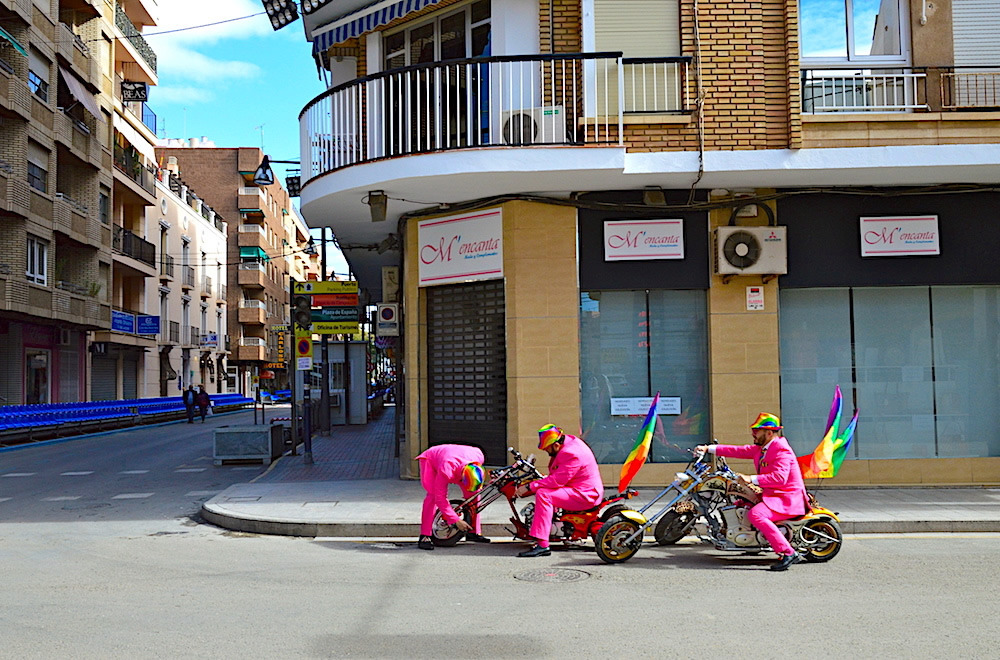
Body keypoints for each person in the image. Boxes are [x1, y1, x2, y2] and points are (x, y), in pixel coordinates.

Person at [696, 413, 809, 571]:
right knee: (739, 503)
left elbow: (780, 478)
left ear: (769, 433)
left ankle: (788, 552)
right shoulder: (763, 449)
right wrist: (709, 448)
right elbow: (738, 450)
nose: (753, 434)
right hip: (771, 495)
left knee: (756, 514)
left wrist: (751, 479)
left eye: (757, 431)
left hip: (785, 499)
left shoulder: (781, 451)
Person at [513, 424, 603, 558]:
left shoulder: (571, 453)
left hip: (585, 494)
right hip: (579, 488)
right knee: (544, 489)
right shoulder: (571, 441)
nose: (545, 451)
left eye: (546, 448)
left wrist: (529, 486)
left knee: (544, 495)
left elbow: (557, 481)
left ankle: (542, 545)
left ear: (556, 445)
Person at [416, 444, 491, 551]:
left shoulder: (479, 457)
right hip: (431, 459)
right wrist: (455, 520)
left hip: (458, 459)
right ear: (461, 478)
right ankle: (425, 536)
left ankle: (473, 532)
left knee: (474, 495)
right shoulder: (446, 469)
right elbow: (440, 498)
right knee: (432, 495)